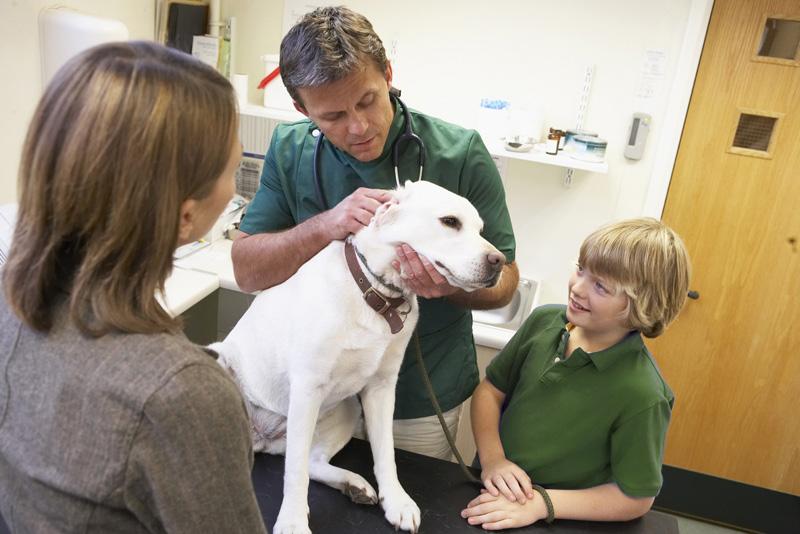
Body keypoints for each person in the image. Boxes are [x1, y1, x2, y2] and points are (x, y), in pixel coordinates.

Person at [0, 41, 267, 533]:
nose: (236, 186)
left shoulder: (11, 308)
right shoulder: (181, 395)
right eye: (233, 172)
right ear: (186, 216)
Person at [232, 6, 518, 459]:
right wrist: (324, 227)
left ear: (387, 74)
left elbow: (504, 282)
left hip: (416, 399)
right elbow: (247, 272)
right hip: (317, 394)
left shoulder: (459, 153)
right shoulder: (290, 150)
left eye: (367, 100)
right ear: (302, 109)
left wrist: (447, 286)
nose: (359, 127)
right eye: (332, 116)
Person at [462, 218, 691, 529]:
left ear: (643, 304)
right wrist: (493, 460)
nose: (578, 288)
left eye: (600, 286)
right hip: (493, 495)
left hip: (561, 518)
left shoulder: (644, 394)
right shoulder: (544, 322)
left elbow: (635, 498)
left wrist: (541, 504)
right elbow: (490, 391)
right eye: (581, 269)